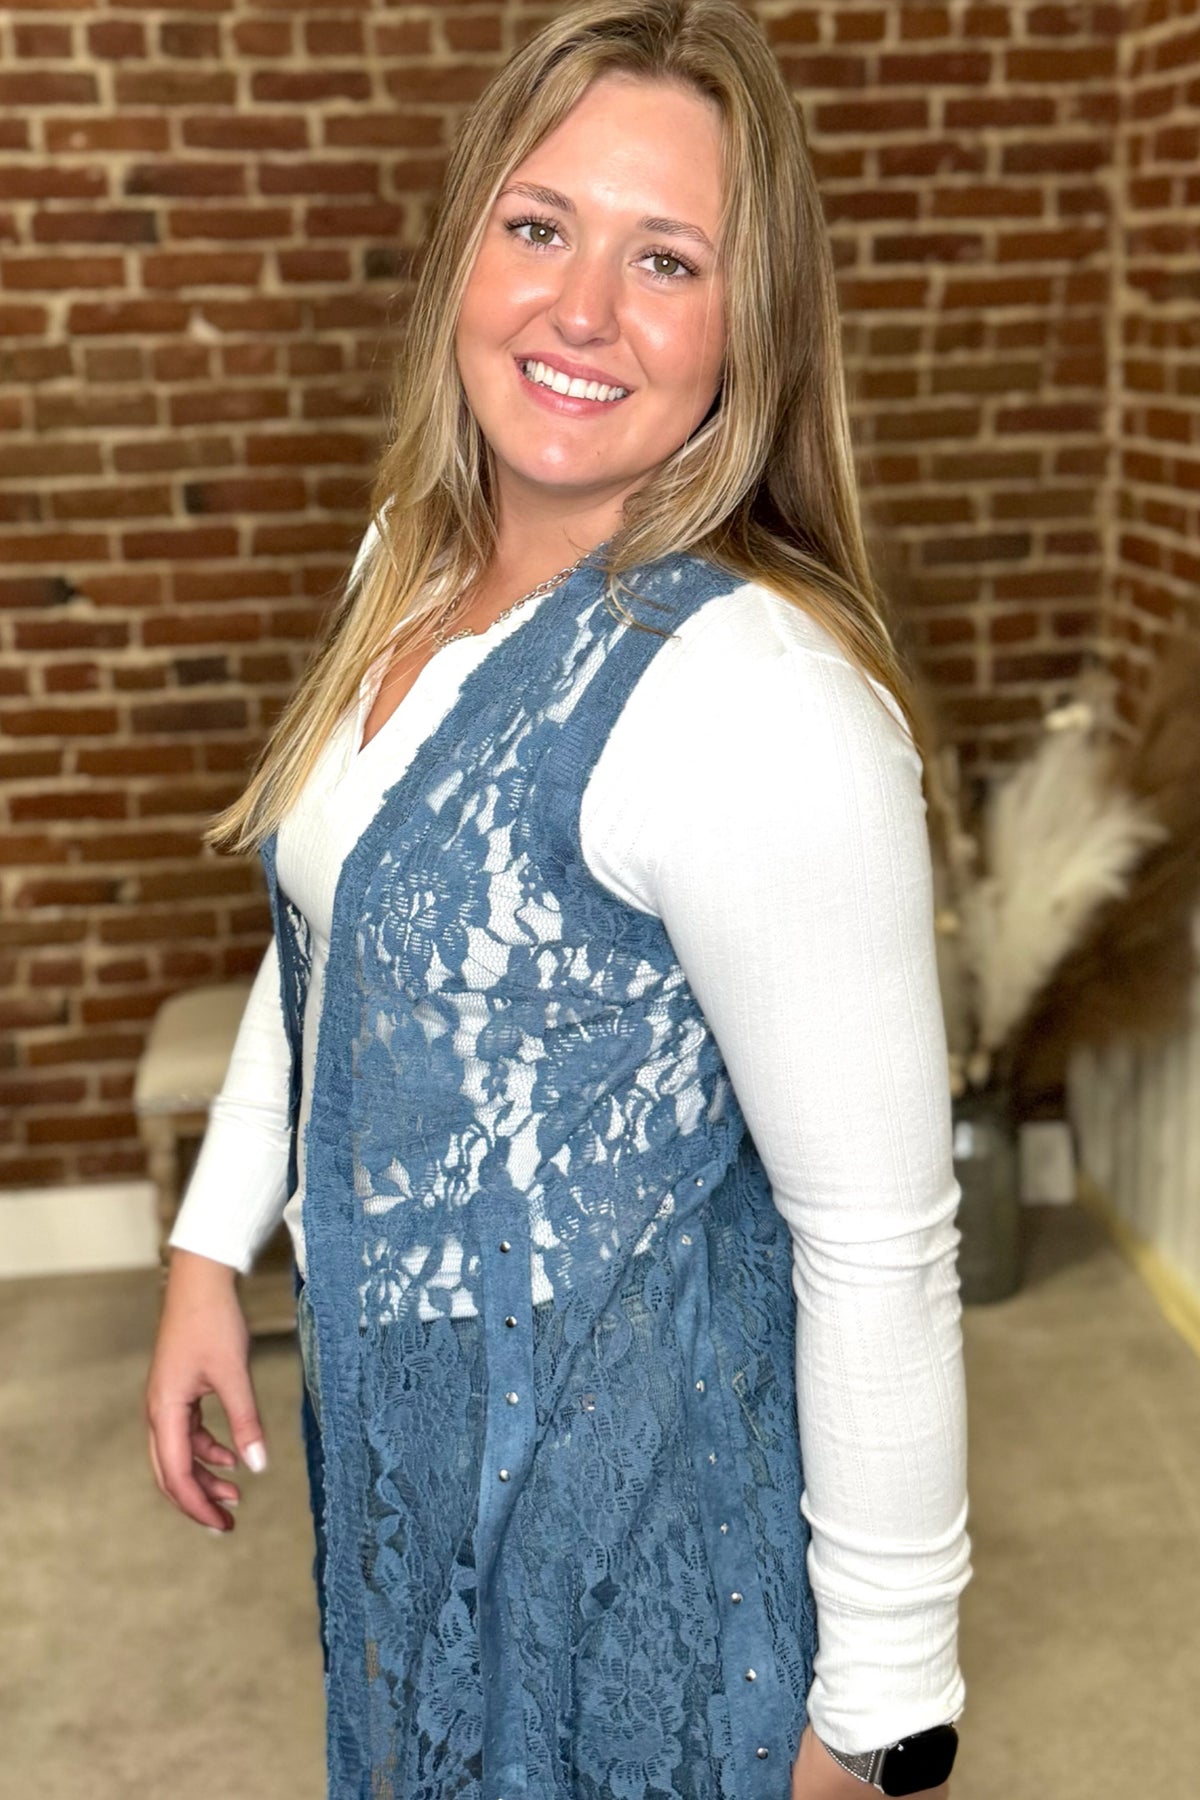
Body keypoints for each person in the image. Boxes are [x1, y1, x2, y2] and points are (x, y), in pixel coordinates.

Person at [144, 4, 971, 1797]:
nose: (581, 309)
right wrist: (216, 1240)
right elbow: (334, 939)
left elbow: (881, 1243)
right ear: (466, 249)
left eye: (666, 259)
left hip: (654, 1602)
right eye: (542, 226)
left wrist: (885, 1724)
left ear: (749, 332)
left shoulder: (756, 698)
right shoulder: (410, 559)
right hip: (418, 1537)